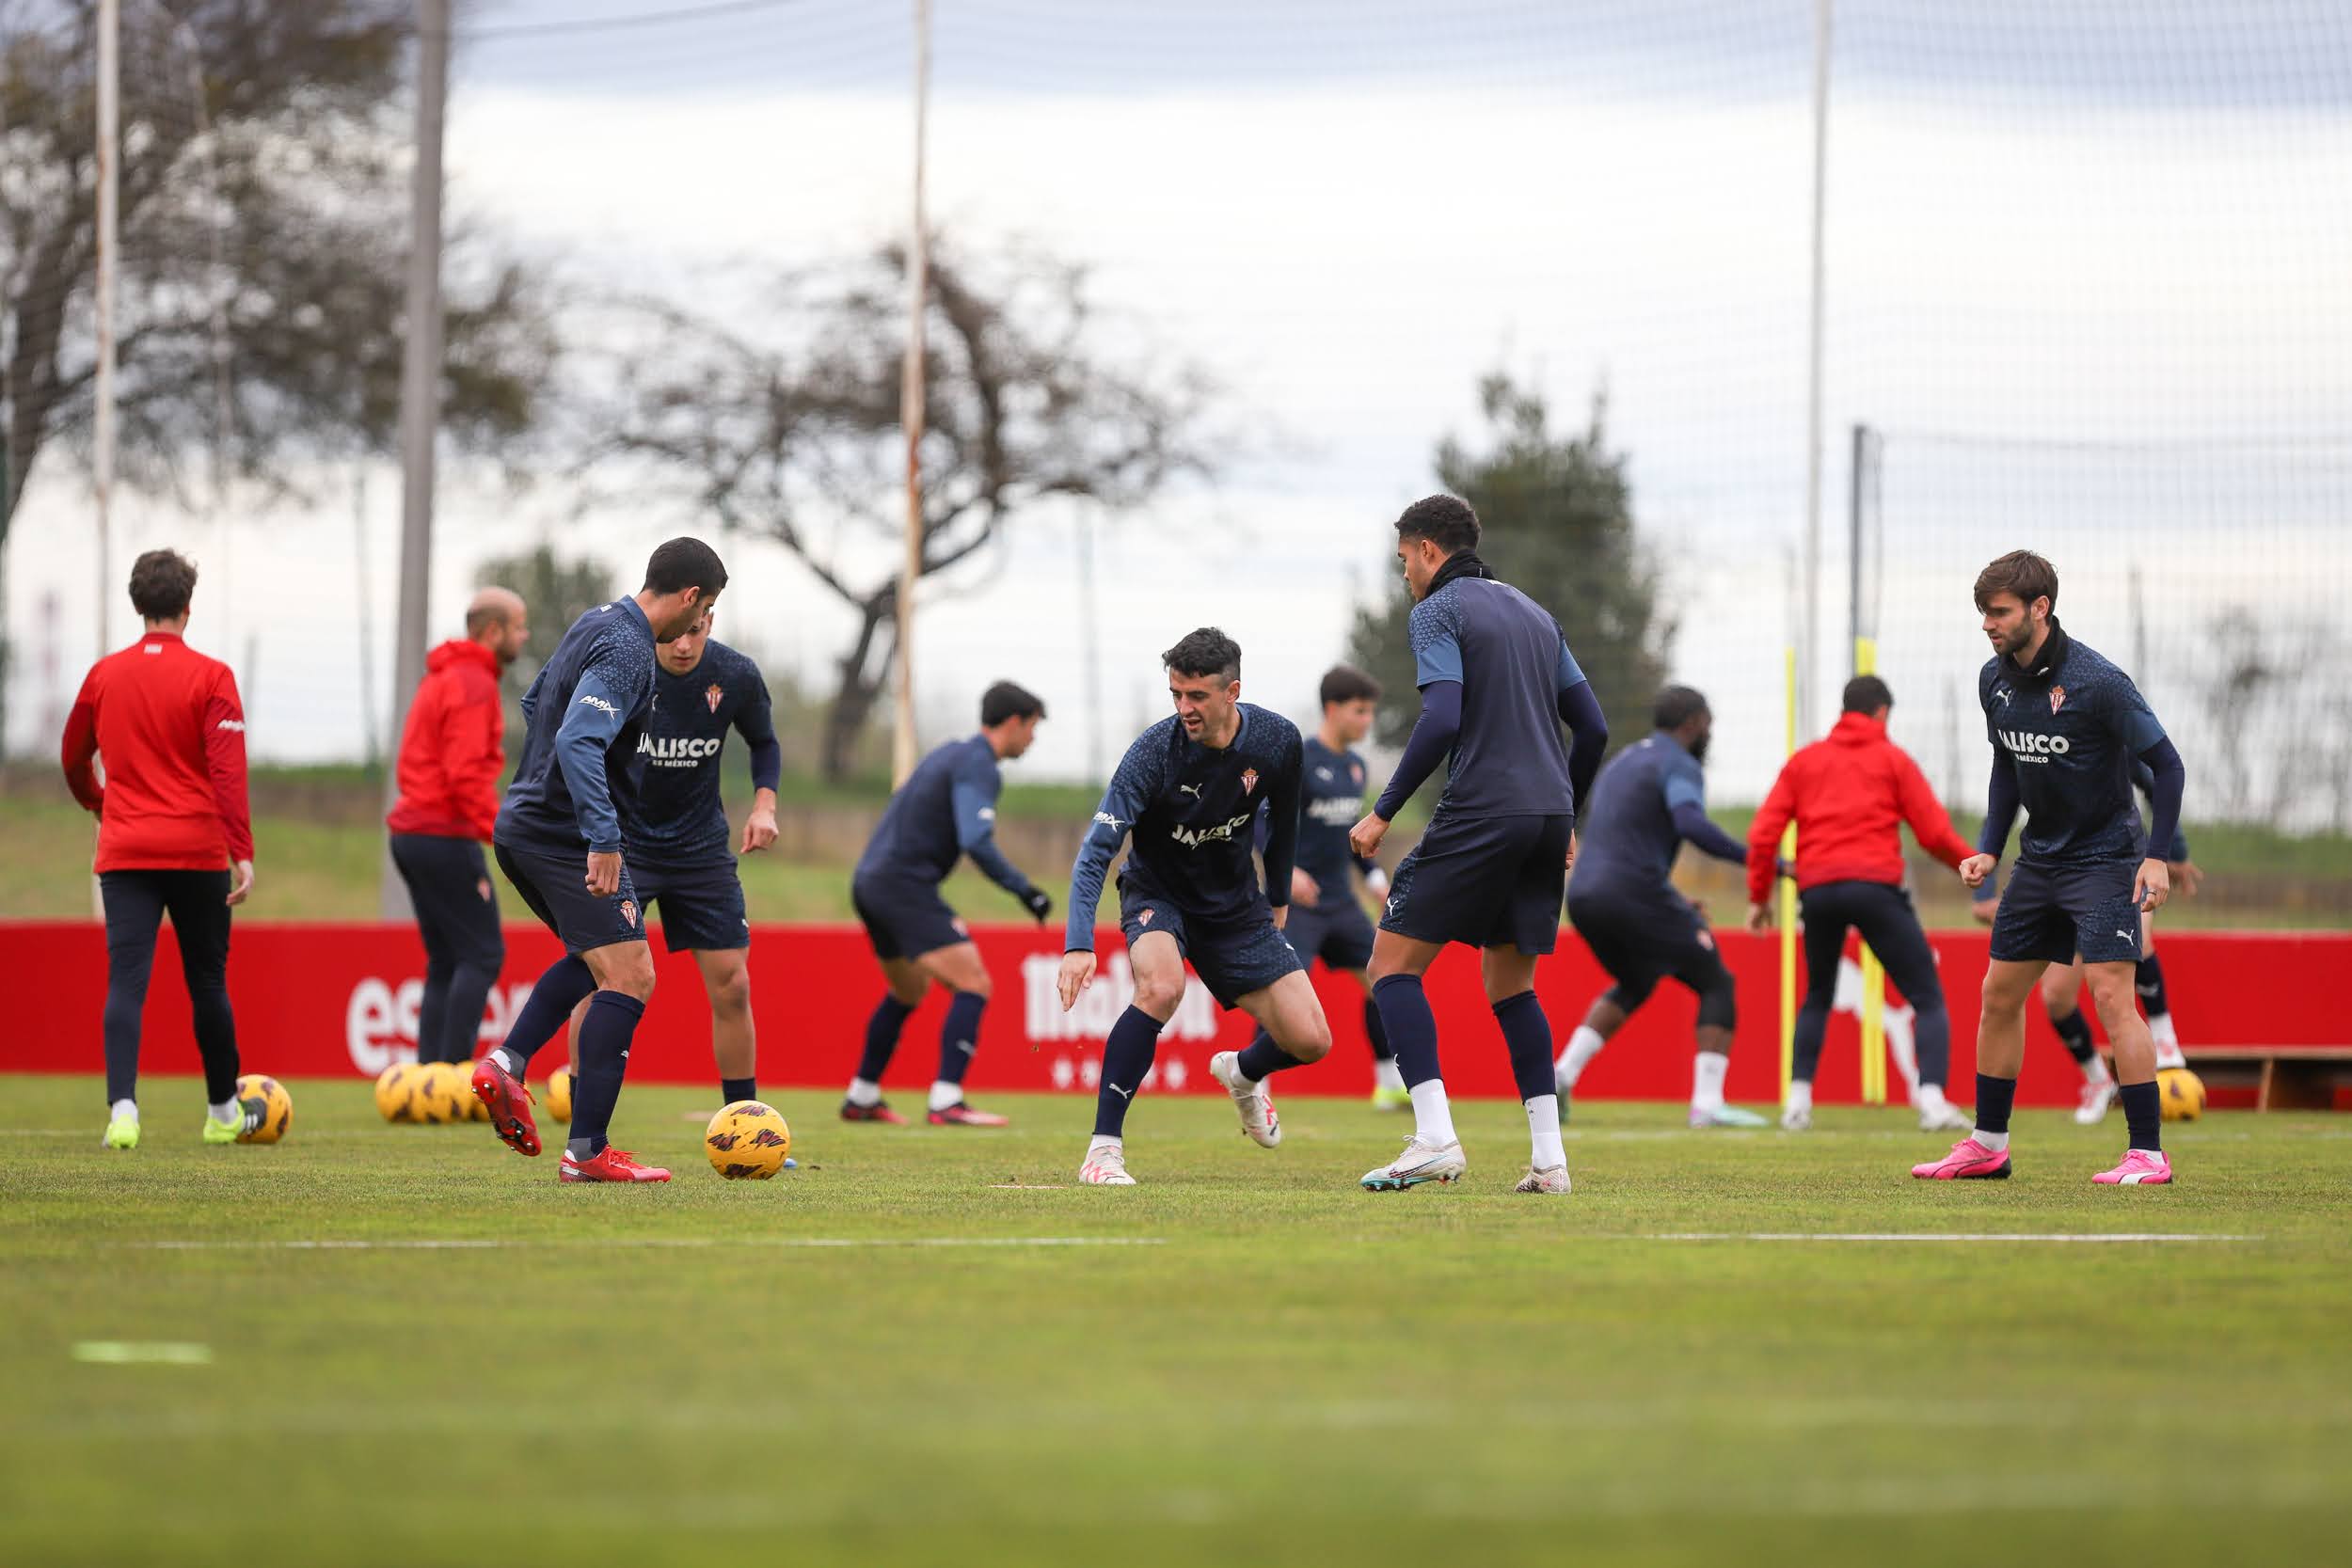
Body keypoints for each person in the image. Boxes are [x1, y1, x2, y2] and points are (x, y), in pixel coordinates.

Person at [1347, 496, 1609, 1195]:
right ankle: (1550, 1162)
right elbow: (1594, 726)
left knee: (1390, 967)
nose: (1404, 573)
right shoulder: (1533, 612)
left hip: (1484, 807)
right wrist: (1567, 812)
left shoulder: (1438, 609)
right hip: (1547, 815)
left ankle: (1434, 1138)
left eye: (1404, 558)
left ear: (1430, 550)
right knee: (1511, 983)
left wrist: (1381, 813)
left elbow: (1441, 718)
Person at [468, 537, 728, 1184]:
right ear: (690, 595)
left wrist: (541, 787)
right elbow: (581, 737)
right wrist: (603, 835)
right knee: (633, 973)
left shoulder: (593, 622)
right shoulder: (630, 648)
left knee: (600, 958)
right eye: (706, 609)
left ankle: (507, 1061)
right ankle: (586, 1151)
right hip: (562, 835)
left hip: (523, 824)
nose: (698, 627)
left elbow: (537, 706)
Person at [1925, 549, 2186, 1186]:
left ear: (2040, 608)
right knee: (1998, 995)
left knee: (2109, 995)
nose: (1988, 622)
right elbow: (2006, 766)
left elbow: (2170, 766)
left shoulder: (2098, 682)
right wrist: (1990, 845)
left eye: (2000, 611)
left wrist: (2156, 856)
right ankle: (1989, 1144)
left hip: (2106, 860)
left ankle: (2147, 1153)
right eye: (1983, 611)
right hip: (2038, 862)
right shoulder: (1994, 681)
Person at [1057, 629, 1326, 1185]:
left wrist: (1277, 900)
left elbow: (1285, 827)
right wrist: (1078, 943)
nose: (1184, 708)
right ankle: (1103, 1152)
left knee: (1311, 1039)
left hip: (1234, 905)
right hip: (1158, 893)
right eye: (1176, 694)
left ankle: (1242, 1073)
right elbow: (1095, 854)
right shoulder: (1154, 752)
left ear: (1233, 692)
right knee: (1161, 987)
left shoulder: (1278, 740)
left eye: (1197, 696)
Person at [62, 548, 263, 1150]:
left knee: (126, 982)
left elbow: (73, 757)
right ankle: (223, 1113)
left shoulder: (103, 676)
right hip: (197, 852)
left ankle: (123, 1112)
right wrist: (242, 850)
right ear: (187, 607)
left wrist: (100, 802)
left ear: (136, 604)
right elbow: (228, 774)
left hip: (124, 851)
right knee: (207, 982)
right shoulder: (213, 676)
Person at [561, 605, 781, 1110]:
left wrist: (765, 804)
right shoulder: (623, 665)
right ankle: (582, 1119)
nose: (683, 646)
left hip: (701, 850)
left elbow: (765, 743)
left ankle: (744, 1122)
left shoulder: (735, 674)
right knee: (601, 981)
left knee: (733, 984)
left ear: (710, 623)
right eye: (675, 636)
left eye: (696, 633)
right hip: (625, 844)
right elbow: (576, 740)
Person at [1742, 674, 1976, 1133]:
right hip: (1875, 889)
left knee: (1817, 994)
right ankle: (1931, 1101)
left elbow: (1762, 835)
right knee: (1926, 996)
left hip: (1819, 890)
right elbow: (1932, 834)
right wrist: (1971, 865)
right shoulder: (1893, 760)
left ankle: (1797, 1102)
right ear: (1882, 712)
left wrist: (1758, 897)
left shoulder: (1804, 762)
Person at [1552, 686, 1764, 1130]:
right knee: (1716, 982)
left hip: (1585, 895)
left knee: (1636, 980)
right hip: (1632, 892)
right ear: (1692, 723)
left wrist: (1669, 902)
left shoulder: (1625, 761)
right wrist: (1763, 861)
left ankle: (1562, 1075)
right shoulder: (1680, 763)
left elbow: (1624, 841)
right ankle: (1707, 1105)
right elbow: (1690, 823)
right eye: (1708, 724)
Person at [845, 681, 1053, 1127]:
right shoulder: (980, 765)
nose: (1032, 740)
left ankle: (861, 1095)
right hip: (902, 887)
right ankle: (947, 1099)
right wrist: (1025, 889)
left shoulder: (948, 753)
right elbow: (975, 840)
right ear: (1013, 723)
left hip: (870, 882)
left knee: (909, 990)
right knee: (974, 982)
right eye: (1032, 728)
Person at [1971, 761, 2201, 1124]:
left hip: (2115, 863)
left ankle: (2165, 1037)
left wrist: (2171, 852)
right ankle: (2098, 1080)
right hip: (2055, 873)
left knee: (2135, 948)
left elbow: (2160, 773)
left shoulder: (2105, 713)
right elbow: (2002, 790)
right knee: (2056, 998)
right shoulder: (2025, 722)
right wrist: (1985, 889)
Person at [386, 587, 529, 1067]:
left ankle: (428, 1077)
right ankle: (450, 1077)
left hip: (412, 834)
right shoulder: (472, 682)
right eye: (519, 626)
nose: (524, 635)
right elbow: (464, 775)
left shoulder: (443, 675)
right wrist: (505, 838)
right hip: (442, 833)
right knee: (483, 954)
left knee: (447, 960)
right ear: (493, 631)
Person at [1261, 663, 1404, 1110]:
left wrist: (1375, 879)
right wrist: (1284, 874)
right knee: (1280, 993)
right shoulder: (1299, 759)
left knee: (1380, 980)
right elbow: (1260, 824)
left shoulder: (1357, 768)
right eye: (1360, 711)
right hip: (1298, 905)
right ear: (1333, 709)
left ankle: (1386, 1083)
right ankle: (1254, 1082)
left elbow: (1353, 838)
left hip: (1340, 902)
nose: (1367, 721)